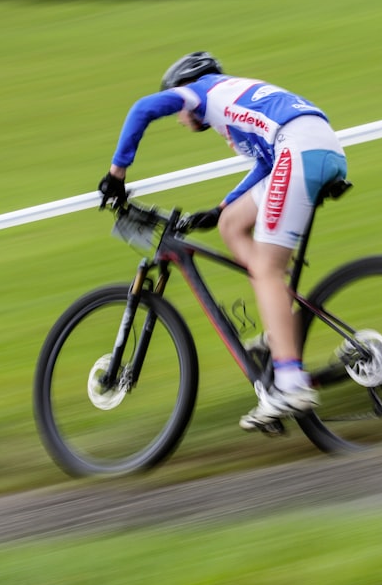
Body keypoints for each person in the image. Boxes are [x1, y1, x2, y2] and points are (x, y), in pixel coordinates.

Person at [98, 51, 348, 432]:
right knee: (232, 225)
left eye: (181, 110)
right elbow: (266, 165)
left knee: (265, 267)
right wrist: (220, 208)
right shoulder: (233, 97)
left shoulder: (201, 92)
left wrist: (116, 175)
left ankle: (289, 384)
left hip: (298, 151)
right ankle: (280, 325)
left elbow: (142, 109)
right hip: (313, 147)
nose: (182, 119)